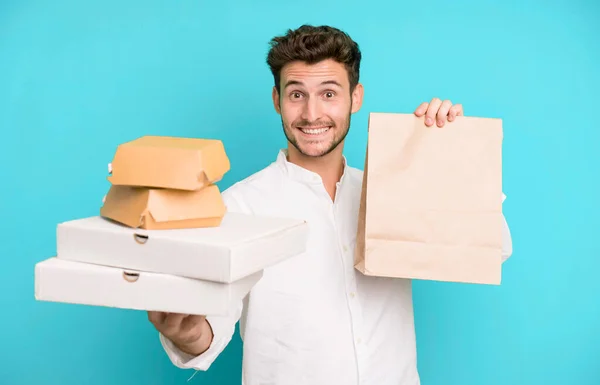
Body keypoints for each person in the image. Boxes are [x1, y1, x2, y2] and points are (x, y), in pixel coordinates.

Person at [148, 24, 513, 385]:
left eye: (328, 93)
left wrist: (452, 155)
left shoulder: (394, 191)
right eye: (296, 95)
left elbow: (492, 248)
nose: (311, 114)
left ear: (355, 97)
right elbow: (209, 329)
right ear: (277, 100)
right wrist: (188, 331)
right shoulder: (237, 208)